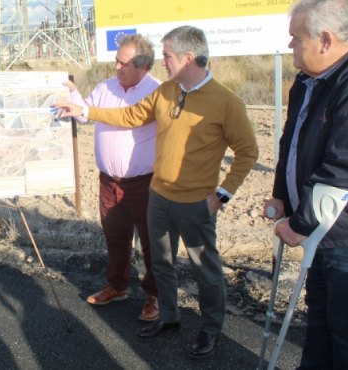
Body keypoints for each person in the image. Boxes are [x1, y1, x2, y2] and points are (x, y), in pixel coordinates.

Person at [54, 25, 258, 358]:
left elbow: (248, 153)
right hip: (159, 198)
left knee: (205, 270)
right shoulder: (166, 91)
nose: (162, 62)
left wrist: (223, 194)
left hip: (197, 203)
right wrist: (86, 111)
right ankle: (169, 317)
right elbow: (132, 115)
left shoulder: (226, 102)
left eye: (167, 56)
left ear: (188, 58)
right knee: (161, 264)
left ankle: (211, 329)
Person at [264, 0, 348, 369]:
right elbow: (292, 143)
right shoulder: (307, 81)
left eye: (297, 38)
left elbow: (342, 166)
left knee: (343, 330)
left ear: (325, 40)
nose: (290, 45)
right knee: (320, 322)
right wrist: (281, 195)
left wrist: (299, 224)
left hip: (341, 233)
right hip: (321, 229)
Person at [63, 34, 161, 321]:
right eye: (116, 61)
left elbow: (129, 116)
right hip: (109, 182)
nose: (116, 67)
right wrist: (73, 94)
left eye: (123, 63)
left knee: (152, 242)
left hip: (145, 183)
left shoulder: (157, 92)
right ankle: (117, 287)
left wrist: (85, 108)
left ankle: (155, 295)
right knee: (115, 237)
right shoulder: (105, 87)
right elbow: (83, 115)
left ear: (143, 66)